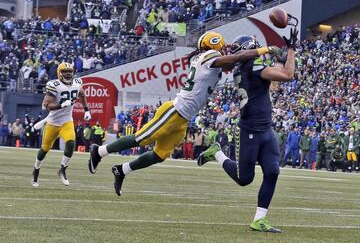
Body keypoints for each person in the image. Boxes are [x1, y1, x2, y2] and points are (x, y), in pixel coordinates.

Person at [88, 31, 282, 196]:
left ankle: (122, 170)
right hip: (174, 111)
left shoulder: (209, 57)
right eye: (222, 46)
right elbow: (234, 59)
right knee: (142, 138)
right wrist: (264, 49)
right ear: (214, 46)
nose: (225, 50)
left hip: (183, 119)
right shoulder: (208, 57)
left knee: (159, 154)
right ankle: (99, 151)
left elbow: (231, 62)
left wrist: (234, 47)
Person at [197, 28, 298, 233]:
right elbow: (288, 75)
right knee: (245, 179)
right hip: (249, 130)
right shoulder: (253, 67)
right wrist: (291, 51)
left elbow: (273, 82)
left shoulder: (245, 68)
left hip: (265, 129)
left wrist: (281, 56)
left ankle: (259, 220)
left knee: (272, 171)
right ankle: (216, 152)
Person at [31, 62, 91, 187]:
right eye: (65, 71)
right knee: (45, 148)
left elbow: (82, 94)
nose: (68, 73)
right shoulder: (54, 85)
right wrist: (59, 105)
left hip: (66, 121)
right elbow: (46, 105)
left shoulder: (77, 83)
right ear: (59, 72)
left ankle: (62, 169)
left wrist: (86, 110)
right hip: (53, 122)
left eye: (70, 71)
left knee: (71, 142)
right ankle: (36, 169)